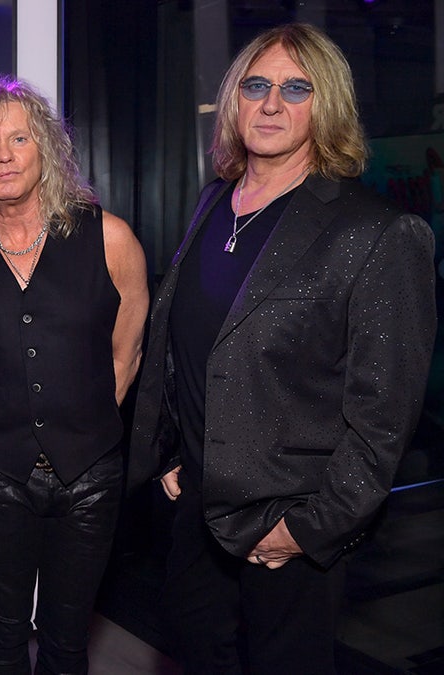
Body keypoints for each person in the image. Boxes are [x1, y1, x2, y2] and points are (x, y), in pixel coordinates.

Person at [129, 23, 435, 674]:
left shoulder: (376, 233)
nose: (271, 102)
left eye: (296, 88)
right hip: (197, 507)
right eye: (257, 85)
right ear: (234, 101)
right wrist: (174, 456)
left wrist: (308, 529)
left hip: (286, 528)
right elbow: (198, 349)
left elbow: (384, 417)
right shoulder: (216, 202)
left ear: (326, 106)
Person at [0, 75, 149, 674]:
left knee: (67, 635)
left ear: (47, 149)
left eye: (19, 138)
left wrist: (76, 425)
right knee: (2, 629)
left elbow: (125, 354)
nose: (2, 155)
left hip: (92, 479)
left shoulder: (109, 238)